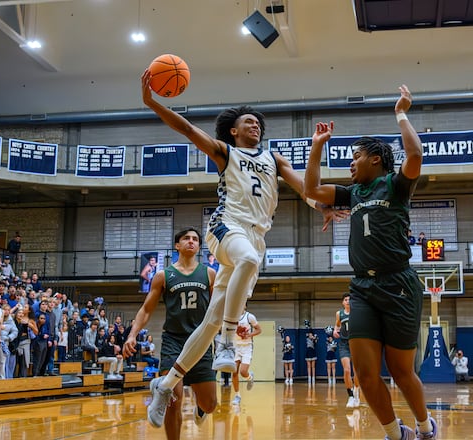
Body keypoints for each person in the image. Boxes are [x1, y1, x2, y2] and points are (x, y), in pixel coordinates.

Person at [140, 70, 335, 428]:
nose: (255, 126)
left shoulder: (274, 160)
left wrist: (321, 202)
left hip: (257, 237)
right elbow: (186, 130)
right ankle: (228, 344)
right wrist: (153, 102)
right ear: (234, 130)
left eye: (258, 123)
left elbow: (306, 186)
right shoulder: (225, 152)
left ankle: (165, 384)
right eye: (248, 122)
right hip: (226, 226)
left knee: (211, 320)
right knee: (243, 261)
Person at [304, 85, 438, 440]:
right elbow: (312, 189)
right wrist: (317, 147)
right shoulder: (352, 192)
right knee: (365, 373)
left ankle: (425, 426)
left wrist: (401, 113)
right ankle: (397, 434)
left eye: (356, 156)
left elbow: (416, 156)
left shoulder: (395, 186)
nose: (350, 162)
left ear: (375, 159)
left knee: (400, 370)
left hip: (398, 283)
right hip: (362, 287)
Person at [123, 228, 218, 439]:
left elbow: (219, 306)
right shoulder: (163, 275)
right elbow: (146, 309)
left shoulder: (209, 273)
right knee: (173, 403)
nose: (191, 241)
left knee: (210, 404)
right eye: (186, 238)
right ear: (177, 246)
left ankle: (200, 408)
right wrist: (132, 335)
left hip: (201, 342)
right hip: (173, 341)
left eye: (195, 239)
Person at [333, 293, 359, 409]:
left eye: (350, 300)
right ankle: (351, 396)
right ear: (343, 302)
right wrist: (335, 330)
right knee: (347, 370)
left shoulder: (357, 312)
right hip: (344, 344)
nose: (348, 301)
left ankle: (357, 390)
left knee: (356, 372)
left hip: (356, 344)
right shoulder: (339, 314)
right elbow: (337, 325)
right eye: (346, 300)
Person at [231, 306, 261, 406]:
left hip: (247, 347)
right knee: (234, 372)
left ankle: (249, 377)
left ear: (245, 305)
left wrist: (248, 335)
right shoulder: (232, 317)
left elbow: (259, 330)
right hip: (236, 347)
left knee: (243, 372)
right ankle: (237, 395)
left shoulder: (249, 317)